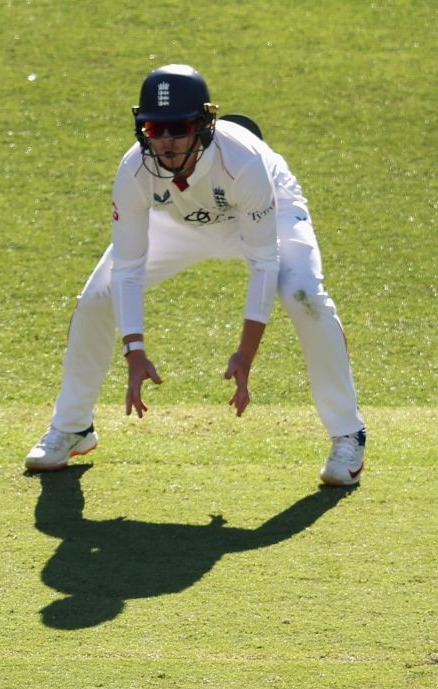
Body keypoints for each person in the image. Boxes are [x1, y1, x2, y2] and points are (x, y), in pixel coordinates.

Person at [27, 65, 367, 487]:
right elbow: (127, 269)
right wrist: (135, 350)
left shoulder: (243, 162)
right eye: (156, 128)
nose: (167, 142)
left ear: (204, 125)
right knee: (98, 297)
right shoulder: (134, 169)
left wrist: (245, 354)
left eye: (180, 128)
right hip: (183, 221)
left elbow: (264, 263)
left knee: (304, 297)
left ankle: (348, 434)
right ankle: (72, 426)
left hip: (267, 214)